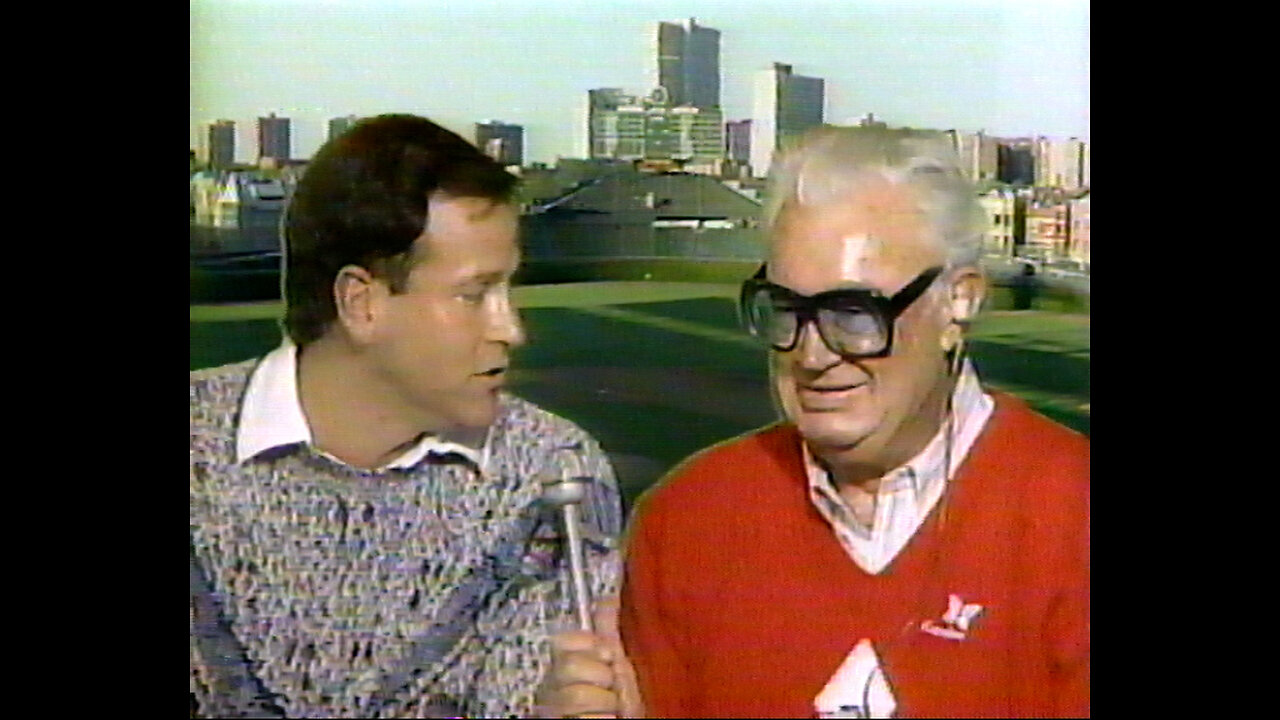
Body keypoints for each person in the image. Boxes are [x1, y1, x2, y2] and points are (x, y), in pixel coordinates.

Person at [540, 127, 1089, 718]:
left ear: (958, 302)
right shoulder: (686, 520)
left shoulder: (1072, 514)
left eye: (854, 313)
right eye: (786, 311)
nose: (812, 355)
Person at [190, 114, 623, 719]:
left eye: (508, 292)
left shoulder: (553, 477)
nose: (512, 330)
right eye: (474, 295)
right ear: (361, 303)